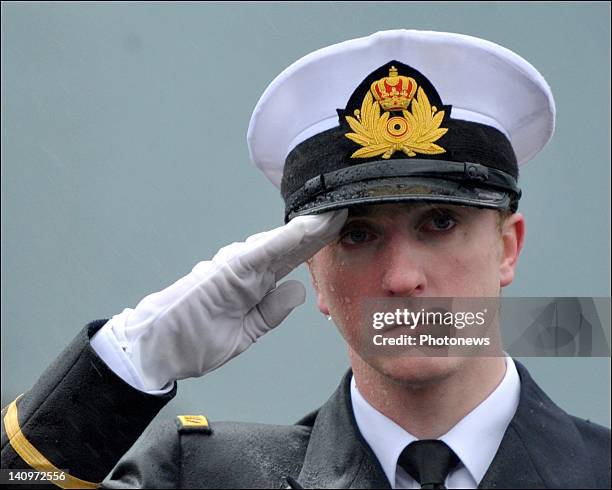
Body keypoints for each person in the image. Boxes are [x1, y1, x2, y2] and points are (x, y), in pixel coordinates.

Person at [1, 29, 610, 489]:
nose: (402, 279)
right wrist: (127, 364)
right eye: (356, 236)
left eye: (440, 222)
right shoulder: (198, 477)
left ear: (508, 247)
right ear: (312, 271)